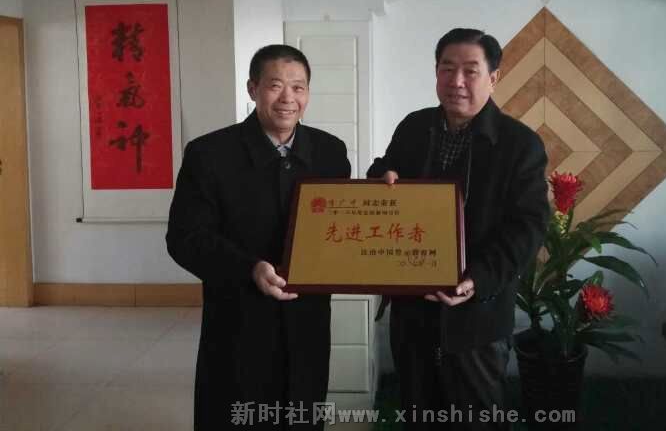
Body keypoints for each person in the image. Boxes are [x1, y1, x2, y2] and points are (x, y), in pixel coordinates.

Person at [367, 28, 549, 430]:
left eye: (470, 70)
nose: (457, 81)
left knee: (475, 416)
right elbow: (385, 170)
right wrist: (382, 175)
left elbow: (528, 226)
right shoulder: (415, 127)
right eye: (447, 69)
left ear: (494, 77)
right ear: (436, 73)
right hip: (413, 308)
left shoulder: (520, 144)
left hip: (476, 313)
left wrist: (478, 279)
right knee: (418, 410)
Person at [167, 45, 350, 431]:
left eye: (299, 87)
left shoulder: (330, 152)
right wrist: (248, 268)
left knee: (303, 409)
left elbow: (343, 226)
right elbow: (185, 237)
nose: (288, 98)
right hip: (238, 315)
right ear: (252, 89)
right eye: (275, 85)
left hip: (307, 316)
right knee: (237, 410)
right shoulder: (209, 154)